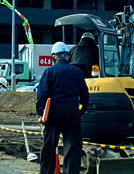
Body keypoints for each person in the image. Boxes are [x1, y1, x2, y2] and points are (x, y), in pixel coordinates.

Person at [36, 42, 89, 174]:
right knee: (72, 148)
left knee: (49, 147)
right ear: (67, 55)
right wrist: (79, 111)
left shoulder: (49, 71)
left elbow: (42, 95)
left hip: (53, 112)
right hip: (72, 111)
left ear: (54, 56)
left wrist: (41, 113)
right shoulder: (77, 72)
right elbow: (85, 96)